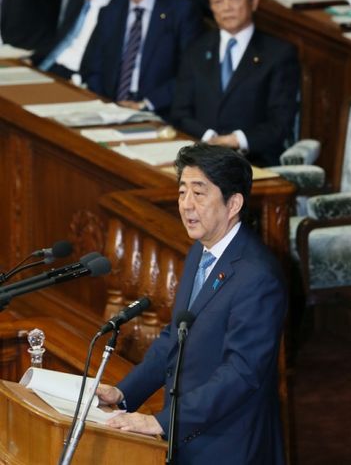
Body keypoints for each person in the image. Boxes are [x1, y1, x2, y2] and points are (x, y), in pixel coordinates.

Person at [97, 142, 287, 465]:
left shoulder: (258, 277)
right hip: (187, 438)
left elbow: (240, 374)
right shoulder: (200, 250)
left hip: (229, 446)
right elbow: (175, 338)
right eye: (182, 192)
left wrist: (162, 421)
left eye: (199, 194)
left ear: (233, 204)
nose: (186, 205)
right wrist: (124, 393)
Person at [171, 0, 299, 167]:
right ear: (211, 8)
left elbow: (280, 123)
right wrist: (209, 137)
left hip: (254, 161)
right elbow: (180, 112)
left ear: (254, 2)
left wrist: (235, 140)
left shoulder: (279, 54)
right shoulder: (196, 49)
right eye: (218, 1)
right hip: (200, 157)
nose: (227, 7)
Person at [84, 0, 203, 120]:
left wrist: (146, 104)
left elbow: (188, 77)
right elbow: (93, 67)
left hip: (157, 115)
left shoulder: (180, 13)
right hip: (108, 112)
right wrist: (104, 105)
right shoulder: (112, 10)